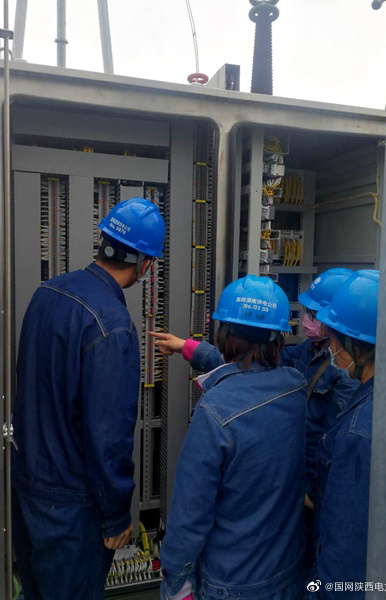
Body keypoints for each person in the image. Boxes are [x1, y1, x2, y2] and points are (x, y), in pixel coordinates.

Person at [11, 198, 166, 600]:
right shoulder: (113, 325)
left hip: (28, 487)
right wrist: (115, 515)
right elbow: (108, 436)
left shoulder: (47, 292)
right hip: (72, 509)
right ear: (145, 265)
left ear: (104, 242)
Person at [153, 275, 308, 600]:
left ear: (223, 333)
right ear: (278, 336)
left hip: (231, 583)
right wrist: (188, 348)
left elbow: (190, 515)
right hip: (287, 573)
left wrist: (177, 582)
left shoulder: (215, 411)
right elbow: (252, 366)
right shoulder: (296, 389)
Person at [311, 269, 379, 598]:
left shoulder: (358, 432)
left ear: (358, 349)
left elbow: (343, 552)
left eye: (335, 339)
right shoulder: (381, 404)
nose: (331, 346)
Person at [280, 269, 360, 503]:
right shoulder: (312, 347)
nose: (307, 319)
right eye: (307, 312)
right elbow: (277, 358)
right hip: (301, 471)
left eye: (313, 315)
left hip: (316, 484)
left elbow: (334, 443)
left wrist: (314, 492)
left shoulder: (345, 370)